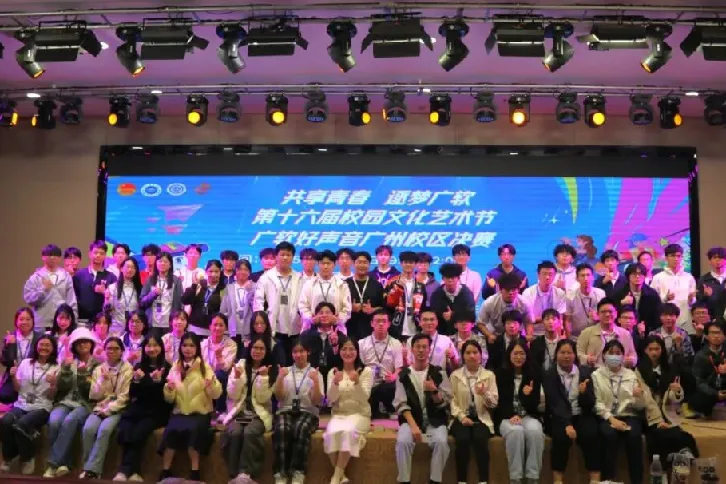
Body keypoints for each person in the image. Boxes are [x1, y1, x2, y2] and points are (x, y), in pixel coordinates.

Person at [159, 332, 222, 482]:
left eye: (191, 346)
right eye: (185, 345)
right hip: (180, 412)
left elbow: (217, 394)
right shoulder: (175, 367)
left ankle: (195, 473)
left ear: (197, 348)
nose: (188, 349)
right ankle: (165, 471)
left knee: (194, 431)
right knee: (171, 431)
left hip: (200, 413)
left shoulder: (204, 367)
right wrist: (169, 389)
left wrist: (211, 385)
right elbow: (169, 399)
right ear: (180, 347)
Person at [394, 333, 452, 484]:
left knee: (441, 443)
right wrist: (413, 426)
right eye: (417, 347)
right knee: (403, 442)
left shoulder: (439, 373)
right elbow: (401, 404)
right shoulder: (403, 375)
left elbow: (446, 401)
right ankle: (404, 480)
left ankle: (434, 480)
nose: (421, 350)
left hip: (435, 420)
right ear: (412, 349)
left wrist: (434, 391)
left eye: (424, 347)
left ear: (429, 349)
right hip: (411, 419)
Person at [114, 333, 172, 481]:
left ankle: (127, 470)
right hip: (139, 407)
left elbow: (166, 398)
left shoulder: (167, 367)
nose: (151, 349)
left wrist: (159, 382)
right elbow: (133, 394)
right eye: (148, 345)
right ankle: (132, 472)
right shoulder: (139, 367)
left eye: (155, 345)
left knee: (139, 431)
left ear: (161, 347)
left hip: (158, 410)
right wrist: (136, 381)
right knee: (126, 428)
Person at [636, 335, 699, 469]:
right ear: (645, 350)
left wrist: (677, 390)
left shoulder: (670, 368)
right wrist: (658, 421)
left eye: (657, 349)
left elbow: (674, 398)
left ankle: (683, 455)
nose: (654, 352)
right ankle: (666, 466)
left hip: (667, 411)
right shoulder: (639, 370)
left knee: (682, 434)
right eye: (650, 349)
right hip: (649, 415)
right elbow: (646, 398)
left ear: (662, 350)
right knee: (660, 434)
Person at [44, 327, 99, 478]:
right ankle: (64, 464)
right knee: (54, 421)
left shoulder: (97, 364)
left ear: (91, 344)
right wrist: (67, 369)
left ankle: (53, 463)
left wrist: (82, 374)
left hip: (84, 404)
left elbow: (91, 392)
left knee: (70, 420)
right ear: (74, 345)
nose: (83, 344)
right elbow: (62, 386)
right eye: (79, 342)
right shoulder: (68, 361)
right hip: (65, 401)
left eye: (86, 341)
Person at [542, 339, 600, 484]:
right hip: (558, 417)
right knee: (561, 438)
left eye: (569, 353)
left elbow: (590, 403)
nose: (566, 356)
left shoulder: (585, 373)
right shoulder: (549, 375)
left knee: (591, 434)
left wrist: (584, 393)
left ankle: (595, 479)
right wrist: (567, 424)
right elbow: (555, 402)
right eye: (562, 352)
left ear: (575, 355)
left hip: (581, 414)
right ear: (556, 354)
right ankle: (558, 480)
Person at [0, 335, 59, 475]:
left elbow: (52, 396)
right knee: (6, 421)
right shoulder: (26, 363)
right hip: (21, 404)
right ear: (36, 346)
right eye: (41, 344)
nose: (44, 347)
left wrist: (53, 384)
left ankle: (27, 457)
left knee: (22, 425)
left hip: (42, 407)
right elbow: (17, 388)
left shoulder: (56, 367)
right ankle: (8, 458)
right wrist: (13, 376)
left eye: (48, 345)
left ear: (53, 349)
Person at [221, 337, 276, 484]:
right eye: (255, 348)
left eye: (261, 348)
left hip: (258, 415)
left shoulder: (271, 369)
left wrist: (263, 378)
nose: (257, 351)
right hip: (239, 413)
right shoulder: (240, 366)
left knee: (250, 432)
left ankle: (246, 474)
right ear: (249, 349)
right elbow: (232, 395)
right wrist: (237, 378)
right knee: (234, 432)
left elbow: (263, 399)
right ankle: (233, 475)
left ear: (266, 351)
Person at [592, 339, 647, 484]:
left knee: (634, 436)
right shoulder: (597, 375)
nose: (614, 356)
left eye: (618, 353)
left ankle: (637, 480)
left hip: (629, 414)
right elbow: (597, 402)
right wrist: (611, 419)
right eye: (611, 353)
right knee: (609, 435)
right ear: (604, 355)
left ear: (623, 356)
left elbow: (640, 406)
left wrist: (638, 396)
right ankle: (608, 479)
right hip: (607, 416)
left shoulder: (631, 375)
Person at [272, 339, 325, 484]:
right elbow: (279, 397)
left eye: (302, 351)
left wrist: (315, 382)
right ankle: (281, 473)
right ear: (292, 354)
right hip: (286, 410)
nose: (299, 355)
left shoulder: (315, 373)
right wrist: (280, 378)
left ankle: (298, 471)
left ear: (308, 352)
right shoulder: (285, 371)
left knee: (301, 428)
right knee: (282, 428)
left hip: (308, 412)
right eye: (295, 351)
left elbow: (316, 401)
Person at [80, 336, 133, 479]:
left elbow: (125, 396)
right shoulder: (99, 369)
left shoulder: (128, 369)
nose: (112, 351)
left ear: (122, 351)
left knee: (104, 430)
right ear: (104, 351)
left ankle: (93, 471)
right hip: (99, 407)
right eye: (109, 348)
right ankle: (88, 467)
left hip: (118, 409)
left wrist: (108, 410)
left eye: (116, 349)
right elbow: (94, 395)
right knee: (88, 429)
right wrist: (102, 380)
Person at [324, 338, 374, 484]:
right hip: (339, 415)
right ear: (339, 351)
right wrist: (335, 383)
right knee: (329, 435)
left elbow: (364, 398)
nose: (348, 352)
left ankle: (335, 477)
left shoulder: (365, 371)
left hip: (360, 414)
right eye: (344, 349)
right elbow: (330, 400)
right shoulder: (334, 372)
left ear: (357, 352)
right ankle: (343, 477)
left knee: (347, 432)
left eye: (351, 349)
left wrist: (357, 383)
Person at [495, 341, 545, 484]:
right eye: (515, 353)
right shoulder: (500, 374)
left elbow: (534, 406)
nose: (518, 357)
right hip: (507, 417)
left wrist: (526, 395)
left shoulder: (534, 374)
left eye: (522, 353)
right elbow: (499, 403)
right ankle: (515, 478)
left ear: (527, 355)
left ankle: (532, 477)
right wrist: (511, 415)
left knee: (535, 432)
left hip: (528, 416)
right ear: (509, 355)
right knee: (516, 432)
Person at [449, 340, 498, 484]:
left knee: (480, 439)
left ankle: (483, 480)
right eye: (468, 353)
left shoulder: (489, 375)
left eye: (475, 352)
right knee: (462, 439)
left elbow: (494, 403)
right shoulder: (455, 375)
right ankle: (461, 480)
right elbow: (451, 400)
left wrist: (485, 393)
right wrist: (461, 417)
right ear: (463, 356)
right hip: (461, 418)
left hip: (482, 418)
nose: (472, 356)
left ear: (481, 355)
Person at [254, 242, 304, 366]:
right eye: (282, 254)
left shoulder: (299, 278)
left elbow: (304, 302)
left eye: (288, 255)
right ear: (276, 256)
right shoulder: (266, 277)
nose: (285, 258)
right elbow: (258, 302)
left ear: (293, 257)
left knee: (293, 365)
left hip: (294, 330)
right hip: (273, 329)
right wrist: (260, 324)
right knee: (277, 365)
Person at [358, 309, 404, 418]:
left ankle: (390, 408)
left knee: (395, 383)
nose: (381, 324)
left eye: (384, 321)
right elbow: (359, 367)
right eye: (377, 321)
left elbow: (399, 368)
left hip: (387, 382)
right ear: (371, 323)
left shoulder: (396, 343)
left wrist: (393, 376)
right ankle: (375, 409)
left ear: (389, 324)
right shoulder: (362, 343)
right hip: (368, 383)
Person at [23, 243, 78, 330]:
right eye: (49, 255)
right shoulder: (36, 277)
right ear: (43, 257)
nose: (52, 257)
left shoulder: (66, 276)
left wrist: (73, 321)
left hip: (61, 323)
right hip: (41, 323)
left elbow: (71, 301)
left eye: (55, 255)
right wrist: (43, 290)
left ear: (60, 258)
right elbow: (29, 299)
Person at [300, 249, 352, 334]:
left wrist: (337, 319)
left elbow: (347, 308)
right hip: (312, 328)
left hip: (336, 329)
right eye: (323, 263)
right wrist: (311, 319)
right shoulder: (309, 284)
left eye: (328, 263)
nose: (325, 266)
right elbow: (303, 305)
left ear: (334, 264)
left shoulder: (342, 284)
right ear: (318, 264)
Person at [577, 299, 637, 369]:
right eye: (603, 312)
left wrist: (631, 360)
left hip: (619, 371)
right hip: (594, 370)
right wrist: (587, 359)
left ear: (616, 314)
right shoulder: (587, 332)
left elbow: (633, 355)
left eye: (610, 311)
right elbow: (579, 353)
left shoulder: (625, 334)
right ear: (597, 314)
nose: (607, 314)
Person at [300, 302, 346, 394]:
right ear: (315, 316)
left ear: (334, 316)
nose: (324, 315)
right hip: (311, 375)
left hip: (334, 375)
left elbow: (343, 361)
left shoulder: (341, 337)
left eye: (328, 312)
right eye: (321, 313)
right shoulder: (306, 335)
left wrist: (335, 344)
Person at [651, 243, 697, 334]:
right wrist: (665, 298)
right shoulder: (658, 278)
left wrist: (691, 299)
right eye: (672, 256)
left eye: (679, 256)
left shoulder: (689, 277)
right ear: (666, 257)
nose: (676, 259)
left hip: (686, 320)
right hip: (666, 321)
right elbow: (653, 301)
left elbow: (693, 302)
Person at [0, 308, 41, 406]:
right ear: (16, 321)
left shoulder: (39, 337)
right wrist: (8, 346)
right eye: (21, 319)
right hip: (14, 375)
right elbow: (5, 362)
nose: (24, 322)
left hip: (33, 375)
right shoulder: (10, 336)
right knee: (4, 396)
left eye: (28, 319)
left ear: (33, 321)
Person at [477, 272, 533, 344]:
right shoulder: (489, 303)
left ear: (518, 290)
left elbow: (529, 322)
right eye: (507, 290)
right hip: (495, 336)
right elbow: (480, 323)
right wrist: (489, 335)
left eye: (514, 289)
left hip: (517, 336)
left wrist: (528, 336)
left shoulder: (525, 303)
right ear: (500, 289)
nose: (511, 293)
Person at [384, 251, 428, 340]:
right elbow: (387, 305)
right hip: (396, 326)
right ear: (401, 263)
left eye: (411, 262)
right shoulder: (392, 282)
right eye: (405, 262)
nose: (408, 265)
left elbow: (423, 308)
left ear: (415, 264)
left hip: (415, 328)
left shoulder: (421, 285)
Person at [73, 240, 118, 325]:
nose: (98, 255)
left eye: (101, 253)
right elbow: (73, 298)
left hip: (102, 323)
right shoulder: (79, 275)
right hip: (81, 320)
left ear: (105, 256)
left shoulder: (111, 277)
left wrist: (105, 292)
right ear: (90, 254)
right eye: (95, 252)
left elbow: (116, 302)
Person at [201, 313, 238, 415]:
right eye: (215, 325)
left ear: (225, 328)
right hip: (205, 375)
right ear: (210, 326)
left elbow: (226, 368)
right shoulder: (202, 344)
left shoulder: (231, 345)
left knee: (220, 375)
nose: (217, 328)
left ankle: (220, 410)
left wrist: (219, 357)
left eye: (221, 325)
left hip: (221, 376)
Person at [345, 251, 385, 341]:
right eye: (359, 262)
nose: (362, 265)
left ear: (369, 265)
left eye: (365, 262)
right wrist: (350, 308)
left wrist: (373, 310)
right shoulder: (345, 284)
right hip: (349, 329)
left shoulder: (377, 285)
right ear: (353, 264)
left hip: (371, 330)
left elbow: (383, 307)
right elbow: (338, 306)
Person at [521, 261, 567, 337]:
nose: (547, 277)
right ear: (538, 275)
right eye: (544, 274)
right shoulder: (528, 293)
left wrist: (557, 340)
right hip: (534, 333)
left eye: (550, 274)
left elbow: (559, 319)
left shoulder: (560, 293)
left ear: (554, 276)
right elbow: (528, 320)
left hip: (553, 333)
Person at [690, 321, 726, 418]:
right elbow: (699, 381)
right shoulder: (701, 356)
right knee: (699, 400)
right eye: (713, 333)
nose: (716, 336)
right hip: (710, 390)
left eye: (719, 333)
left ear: (724, 336)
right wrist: (715, 394)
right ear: (706, 336)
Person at [613, 262, 662, 333]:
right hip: (622, 331)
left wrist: (647, 329)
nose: (637, 276)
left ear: (644, 276)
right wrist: (622, 303)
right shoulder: (619, 294)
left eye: (640, 274)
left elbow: (657, 316)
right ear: (628, 276)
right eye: (634, 274)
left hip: (647, 331)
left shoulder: (652, 294)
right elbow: (612, 314)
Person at [139, 251, 183, 331]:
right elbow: (142, 302)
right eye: (160, 261)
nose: (162, 263)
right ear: (156, 263)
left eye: (165, 262)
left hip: (169, 325)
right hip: (152, 323)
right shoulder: (150, 280)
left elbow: (180, 303)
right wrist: (153, 294)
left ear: (170, 265)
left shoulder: (176, 281)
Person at [181, 259, 226, 336]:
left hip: (212, 331)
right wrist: (194, 285)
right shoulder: (199, 284)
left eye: (216, 271)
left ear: (220, 272)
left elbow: (224, 311)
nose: (213, 274)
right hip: (193, 329)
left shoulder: (223, 289)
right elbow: (185, 300)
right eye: (210, 271)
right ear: (206, 271)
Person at [428, 263, 475, 336]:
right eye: (447, 278)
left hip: (463, 333)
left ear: (458, 278)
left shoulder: (466, 294)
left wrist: (453, 314)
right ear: (443, 278)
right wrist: (442, 315)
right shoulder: (436, 294)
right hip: (442, 333)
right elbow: (433, 314)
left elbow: (470, 314)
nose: (450, 280)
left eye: (453, 278)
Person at [564, 264, 605, 340]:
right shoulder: (570, 296)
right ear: (577, 278)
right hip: (576, 337)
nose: (586, 278)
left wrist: (598, 318)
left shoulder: (601, 294)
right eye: (582, 275)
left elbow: (606, 317)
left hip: (597, 336)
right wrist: (569, 340)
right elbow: (567, 321)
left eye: (588, 275)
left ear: (593, 277)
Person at [220, 259, 255, 347]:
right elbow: (223, 310)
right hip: (232, 330)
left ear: (249, 272)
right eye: (239, 269)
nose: (242, 272)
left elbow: (257, 308)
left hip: (249, 329)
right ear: (235, 271)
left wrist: (250, 291)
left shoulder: (255, 287)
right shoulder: (229, 288)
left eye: (245, 269)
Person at [104, 257, 142, 335]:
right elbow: (107, 311)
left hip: (133, 329)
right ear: (121, 268)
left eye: (133, 267)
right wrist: (107, 300)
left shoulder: (139, 289)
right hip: (116, 329)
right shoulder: (112, 288)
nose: (130, 270)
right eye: (127, 267)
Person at [648, 303, 695, 368]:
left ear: (677, 317)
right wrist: (659, 344)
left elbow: (688, 359)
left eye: (671, 315)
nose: (668, 318)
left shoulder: (683, 334)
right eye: (665, 315)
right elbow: (648, 359)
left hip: (678, 370)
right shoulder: (653, 335)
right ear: (660, 317)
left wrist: (678, 347)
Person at [530, 309, 565, 373]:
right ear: (543, 322)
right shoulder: (536, 343)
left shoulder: (564, 343)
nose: (550, 322)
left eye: (554, 319)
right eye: (547, 319)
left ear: (559, 322)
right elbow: (534, 365)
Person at [697, 247, 726, 324]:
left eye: (720, 257)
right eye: (714, 257)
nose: (717, 260)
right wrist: (705, 296)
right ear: (710, 260)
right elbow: (699, 304)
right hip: (711, 321)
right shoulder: (703, 280)